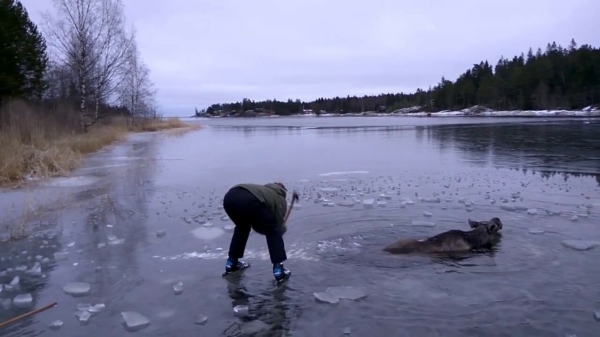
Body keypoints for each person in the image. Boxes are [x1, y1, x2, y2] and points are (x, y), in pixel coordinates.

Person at [221, 182, 299, 283]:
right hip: (249, 200)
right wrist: (279, 230)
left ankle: (231, 263)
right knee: (273, 232)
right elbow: (277, 225)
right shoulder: (279, 196)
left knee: (242, 228)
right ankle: (279, 271)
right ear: (282, 191)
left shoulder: (262, 190)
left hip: (230, 198)